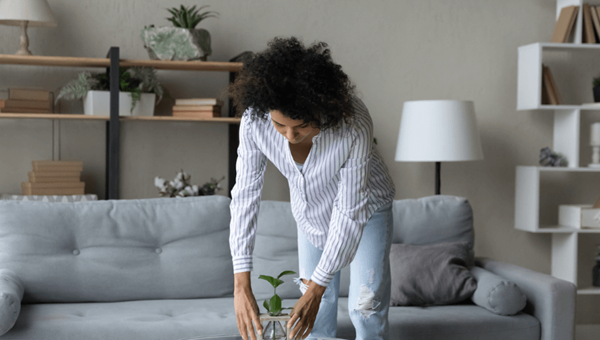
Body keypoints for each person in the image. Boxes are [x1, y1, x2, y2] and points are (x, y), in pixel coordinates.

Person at [228, 36, 395, 340]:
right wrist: (241, 285)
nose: (290, 135)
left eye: (301, 125)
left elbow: (349, 210)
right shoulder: (254, 121)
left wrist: (318, 287)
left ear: (321, 109)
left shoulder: (353, 124)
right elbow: (244, 198)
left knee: (365, 306)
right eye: (280, 125)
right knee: (313, 317)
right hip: (310, 213)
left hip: (366, 210)